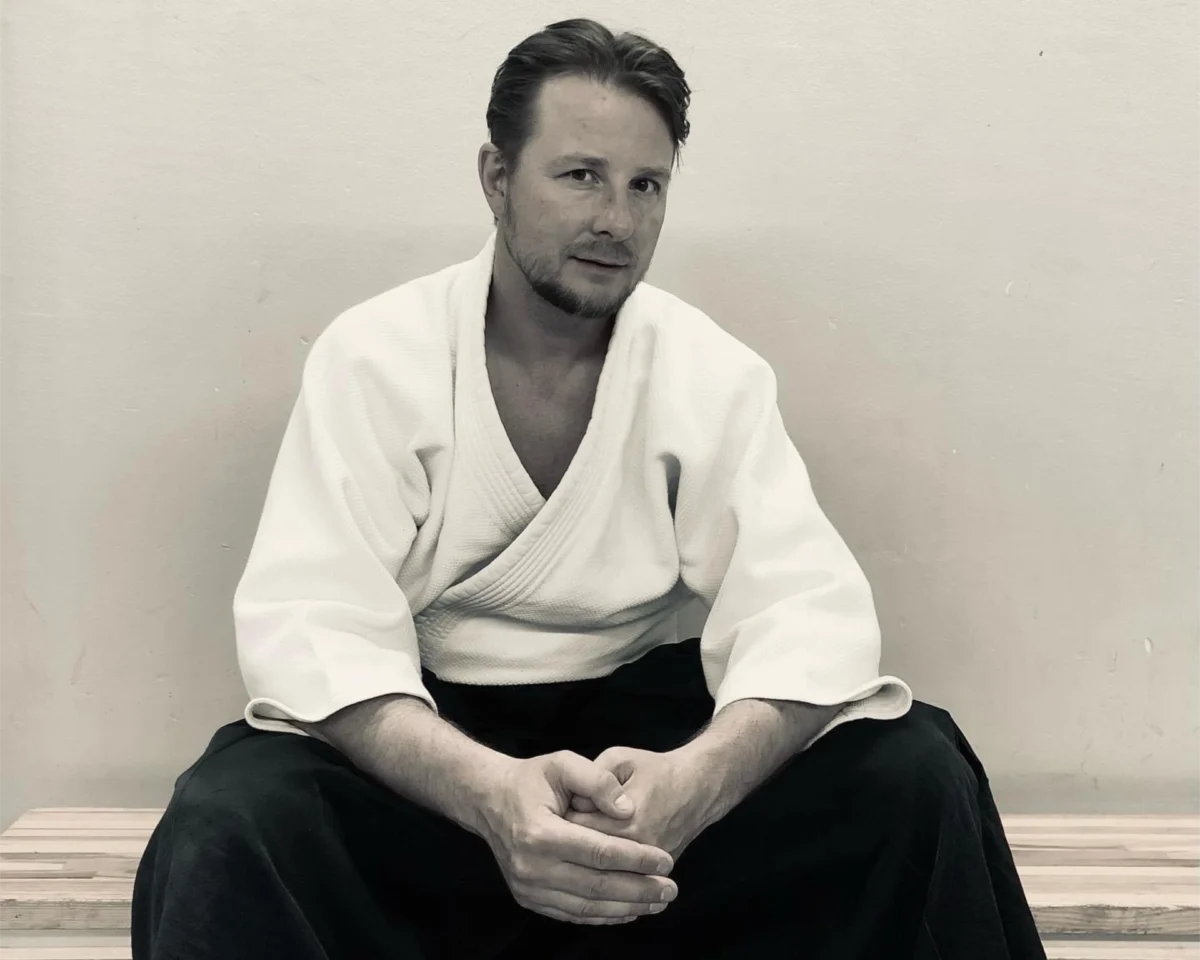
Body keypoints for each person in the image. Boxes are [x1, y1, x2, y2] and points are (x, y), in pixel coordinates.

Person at [131, 17, 1047, 960]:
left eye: (645, 185)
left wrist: (690, 788)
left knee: (914, 769)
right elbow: (314, 627)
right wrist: (491, 796)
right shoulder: (375, 358)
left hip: (646, 771)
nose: (616, 217)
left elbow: (809, 618)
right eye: (580, 176)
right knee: (231, 817)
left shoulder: (708, 371)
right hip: (437, 760)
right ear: (496, 178)